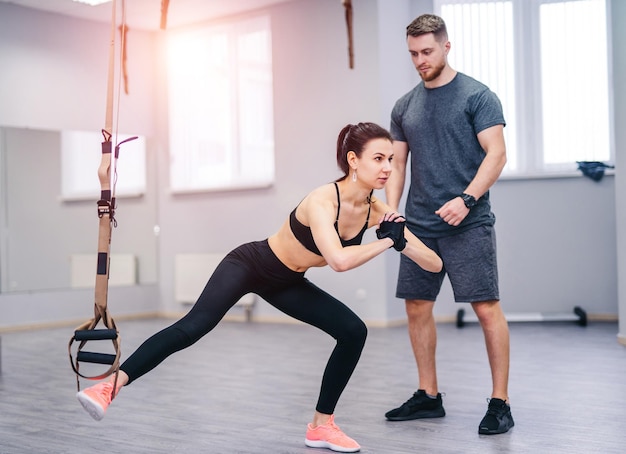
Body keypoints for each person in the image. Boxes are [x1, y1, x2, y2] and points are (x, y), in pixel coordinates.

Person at [76, 122, 443, 453]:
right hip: (251, 264)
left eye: (391, 160)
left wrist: (401, 235)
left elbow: (433, 263)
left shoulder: (375, 211)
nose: (387, 168)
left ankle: (321, 426)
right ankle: (109, 386)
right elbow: (339, 262)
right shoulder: (322, 200)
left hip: (287, 281)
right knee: (193, 327)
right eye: (378, 158)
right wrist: (388, 242)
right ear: (353, 160)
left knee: (352, 331)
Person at [383, 14, 514, 435]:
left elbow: (496, 155)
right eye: (413, 54)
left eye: (427, 51)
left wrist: (467, 198)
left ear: (446, 46)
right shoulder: (404, 106)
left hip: (468, 222)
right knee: (416, 306)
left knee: (486, 308)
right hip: (419, 225)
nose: (420, 60)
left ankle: (500, 403)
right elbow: (397, 164)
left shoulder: (478, 96)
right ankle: (428, 396)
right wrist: (391, 209)